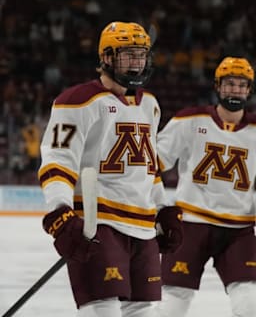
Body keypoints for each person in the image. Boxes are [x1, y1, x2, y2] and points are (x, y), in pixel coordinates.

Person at [38, 21, 183, 317]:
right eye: (128, 55)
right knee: (101, 310)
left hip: (143, 228)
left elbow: (148, 166)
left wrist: (161, 207)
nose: (136, 63)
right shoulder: (77, 101)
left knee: (143, 310)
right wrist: (59, 211)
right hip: (98, 223)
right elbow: (57, 161)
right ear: (106, 58)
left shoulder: (151, 105)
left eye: (141, 55)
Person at [155, 57, 256, 317]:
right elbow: (152, 164)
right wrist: (156, 206)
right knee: (173, 301)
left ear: (249, 90)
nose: (235, 90)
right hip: (190, 224)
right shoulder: (189, 120)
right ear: (217, 86)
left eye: (241, 84)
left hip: (238, 230)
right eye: (229, 84)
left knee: (249, 302)